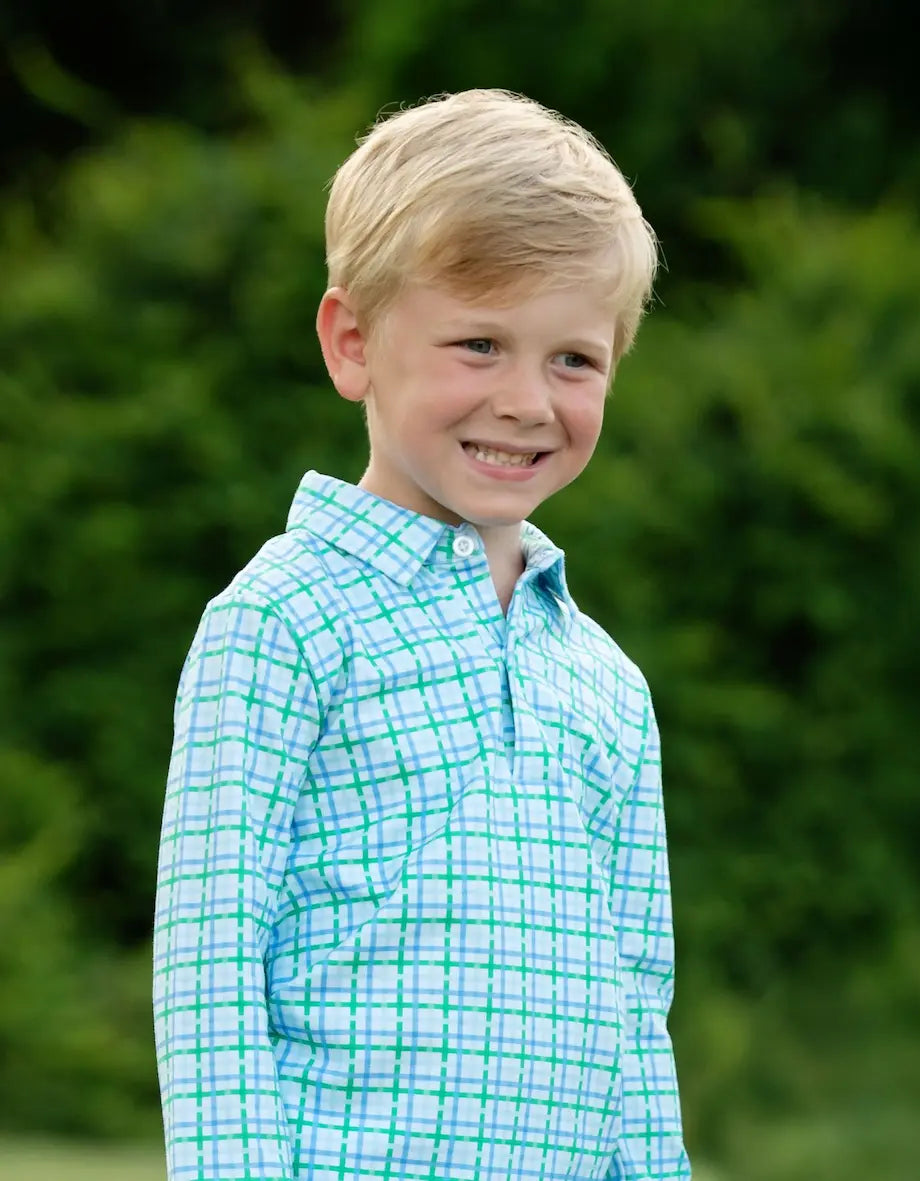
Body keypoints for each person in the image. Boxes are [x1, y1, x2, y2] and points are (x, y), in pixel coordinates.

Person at [153, 88, 690, 1181]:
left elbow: (638, 1003)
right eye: (480, 343)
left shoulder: (607, 682)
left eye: (573, 359)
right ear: (353, 343)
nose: (528, 400)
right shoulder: (285, 619)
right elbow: (209, 963)